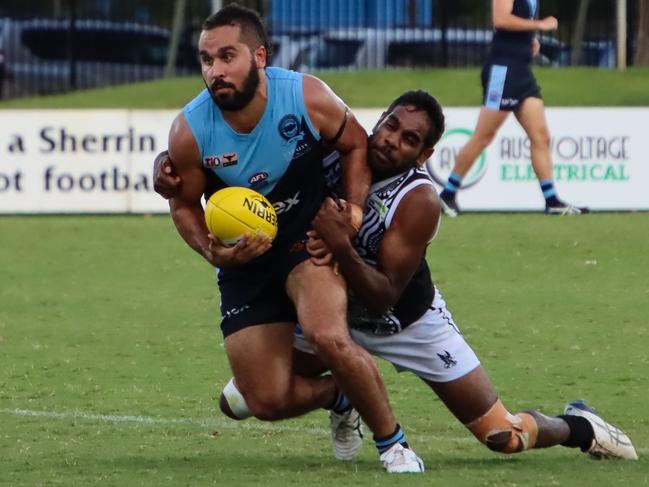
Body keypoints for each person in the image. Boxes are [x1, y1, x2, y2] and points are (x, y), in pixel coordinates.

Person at [221, 90, 638, 463]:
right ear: (380, 118)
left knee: (502, 435)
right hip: (333, 312)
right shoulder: (336, 151)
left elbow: (384, 296)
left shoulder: (419, 200)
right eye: (391, 125)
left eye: (409, 140)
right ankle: (343, 395)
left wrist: (341, 244)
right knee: (241, 399)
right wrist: (173, 169)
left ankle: (580, 426)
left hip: (406, 321)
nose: (391, 140)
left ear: (423, 155)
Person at [154, 3, 423, 473]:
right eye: (205, 60)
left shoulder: (305, 96)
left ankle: (394, 445)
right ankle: (338, 396)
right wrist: (215, 251)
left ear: (259, 56)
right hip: (245, 264)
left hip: (306, 241)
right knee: (264, 399)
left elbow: (356, 143)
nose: (214, 71)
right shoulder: (190, 130)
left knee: (327, 335)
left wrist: (354, 213)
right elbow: (183, 205)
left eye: (227, 56)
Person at [439, 0, 588, 216]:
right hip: (502, 72)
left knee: (541, 137)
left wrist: (532, 39)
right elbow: (500, 19)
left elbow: (520, 21)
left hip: (521, 71)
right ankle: (447, 194)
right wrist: (540, 25)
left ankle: (552, 200)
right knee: (483, 136)